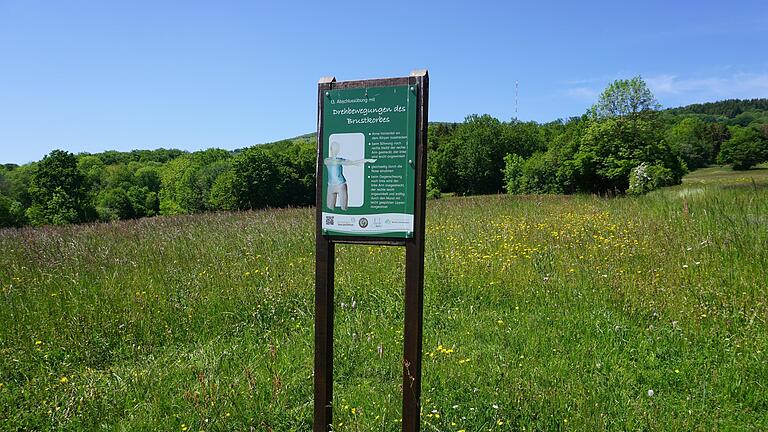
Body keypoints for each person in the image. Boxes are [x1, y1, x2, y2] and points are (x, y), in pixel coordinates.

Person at [324, 141, 375, 210]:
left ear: (338, 150)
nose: (335, 150)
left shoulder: (338, 160)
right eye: (334, 148)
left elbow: (352, 162)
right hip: (330, 186)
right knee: (329, 208)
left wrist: (366, 160)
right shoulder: (328, 160)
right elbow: (351, 162)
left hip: (340, 185)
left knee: (344, 208)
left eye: (336, 148)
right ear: (331, 149)